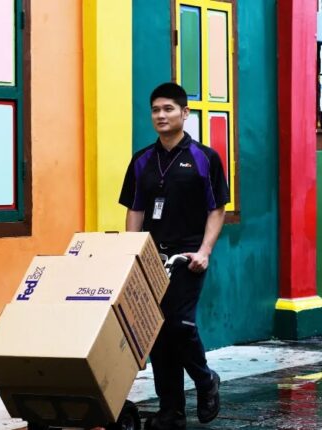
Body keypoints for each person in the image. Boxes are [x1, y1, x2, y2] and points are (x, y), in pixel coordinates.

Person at [118, 82, 228, 430]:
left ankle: (205, 378)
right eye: (156, 110)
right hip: (151, 258)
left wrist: (205, 251)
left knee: (178, 324)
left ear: (185, 113)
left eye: (168, 109)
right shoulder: (142, 160)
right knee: (158, 335)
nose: (161, 115)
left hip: (187, 256)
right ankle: (171, 414)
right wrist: (128, 251)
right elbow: (135, 209)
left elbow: (217, 210)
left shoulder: (204, 159)